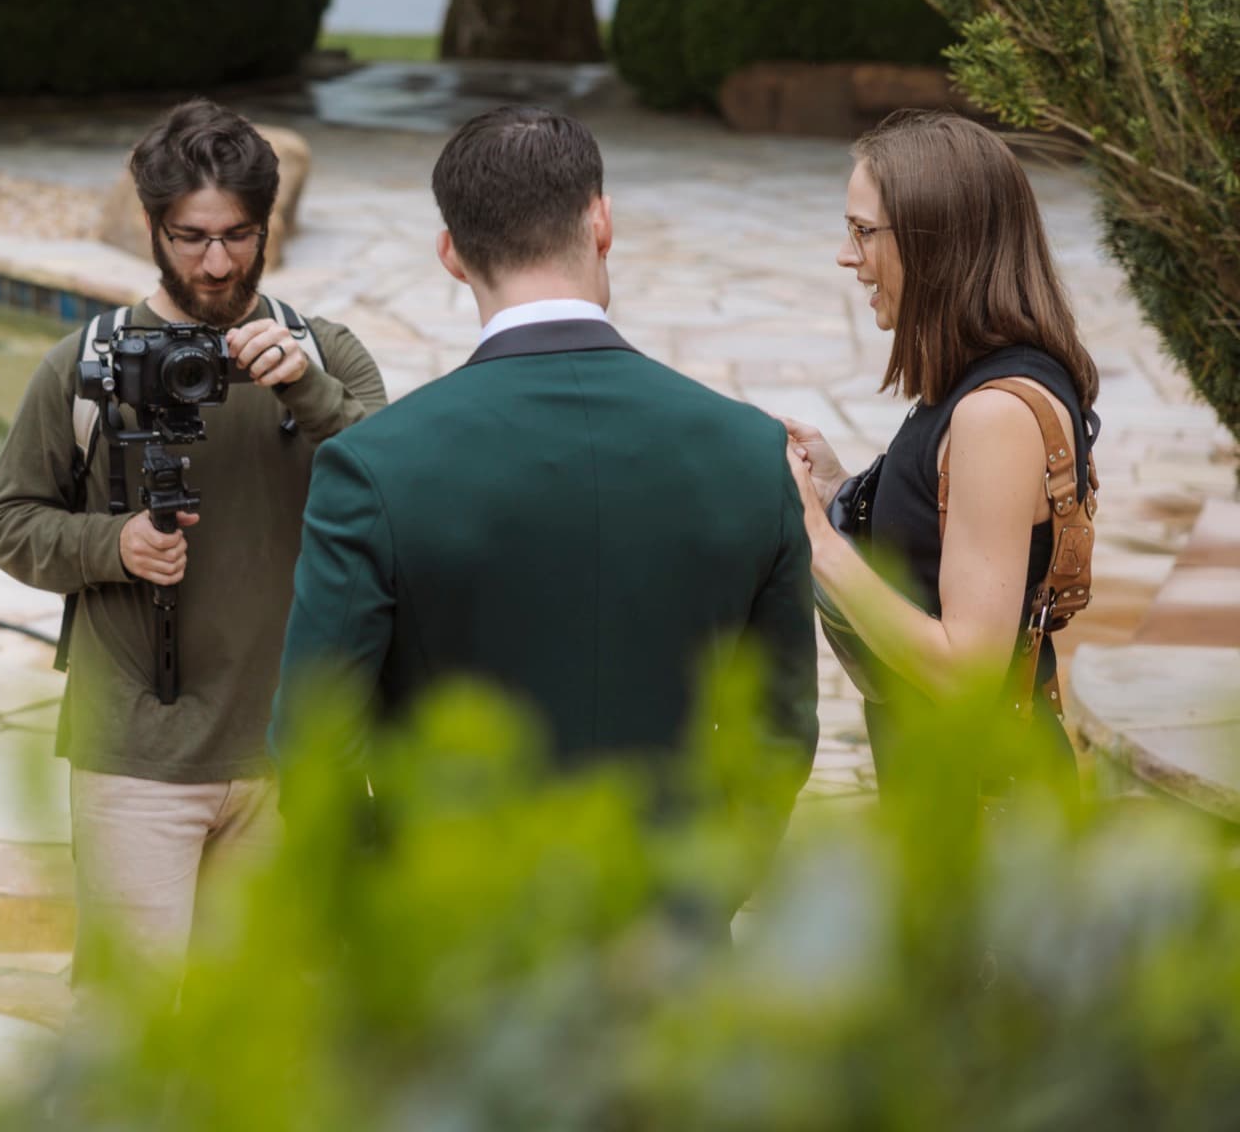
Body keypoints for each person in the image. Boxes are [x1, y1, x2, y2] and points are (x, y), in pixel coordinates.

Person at [272, 106, 818, 809]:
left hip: (451, 876)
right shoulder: (749, 449)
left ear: (450, 254)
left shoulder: (372, 466)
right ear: (603, 223)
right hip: (682, 876)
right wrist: (718, 864)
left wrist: (389, 874)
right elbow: (780, 729)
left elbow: (313, 747)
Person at [0, 100, 387, 1001]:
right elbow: (7, 523)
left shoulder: (326, 355)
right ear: (151, 226)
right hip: (134, 752)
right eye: (191, 237)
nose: (216, 263)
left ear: (268, 225)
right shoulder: (84, 365)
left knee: (263, 1028)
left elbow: (399, 497)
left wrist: (310, 393)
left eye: (238, 236)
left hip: (290, 750)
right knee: (127, 1027)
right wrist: (113, 543)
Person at [781, 110, 1099, 796]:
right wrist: (837, 488)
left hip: (989, 813)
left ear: (938, 242)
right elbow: (936, 546)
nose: (846, 256)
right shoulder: (984, 382)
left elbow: (966, 674)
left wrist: (817, 542)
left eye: (864, 232)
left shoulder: (993, 415)